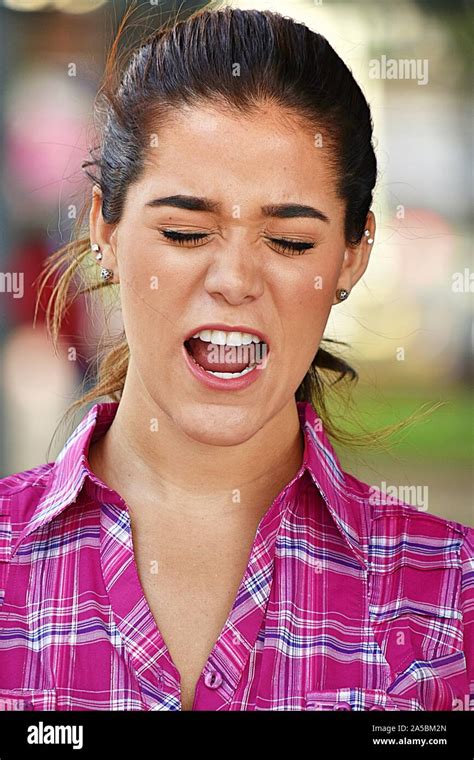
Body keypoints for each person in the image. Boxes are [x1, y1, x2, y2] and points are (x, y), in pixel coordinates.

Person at [0, 6, 472, 712]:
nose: (235, 280)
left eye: (290, 243)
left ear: (353, 255)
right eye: (187, 232)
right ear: (105, 229)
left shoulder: (452, 599)